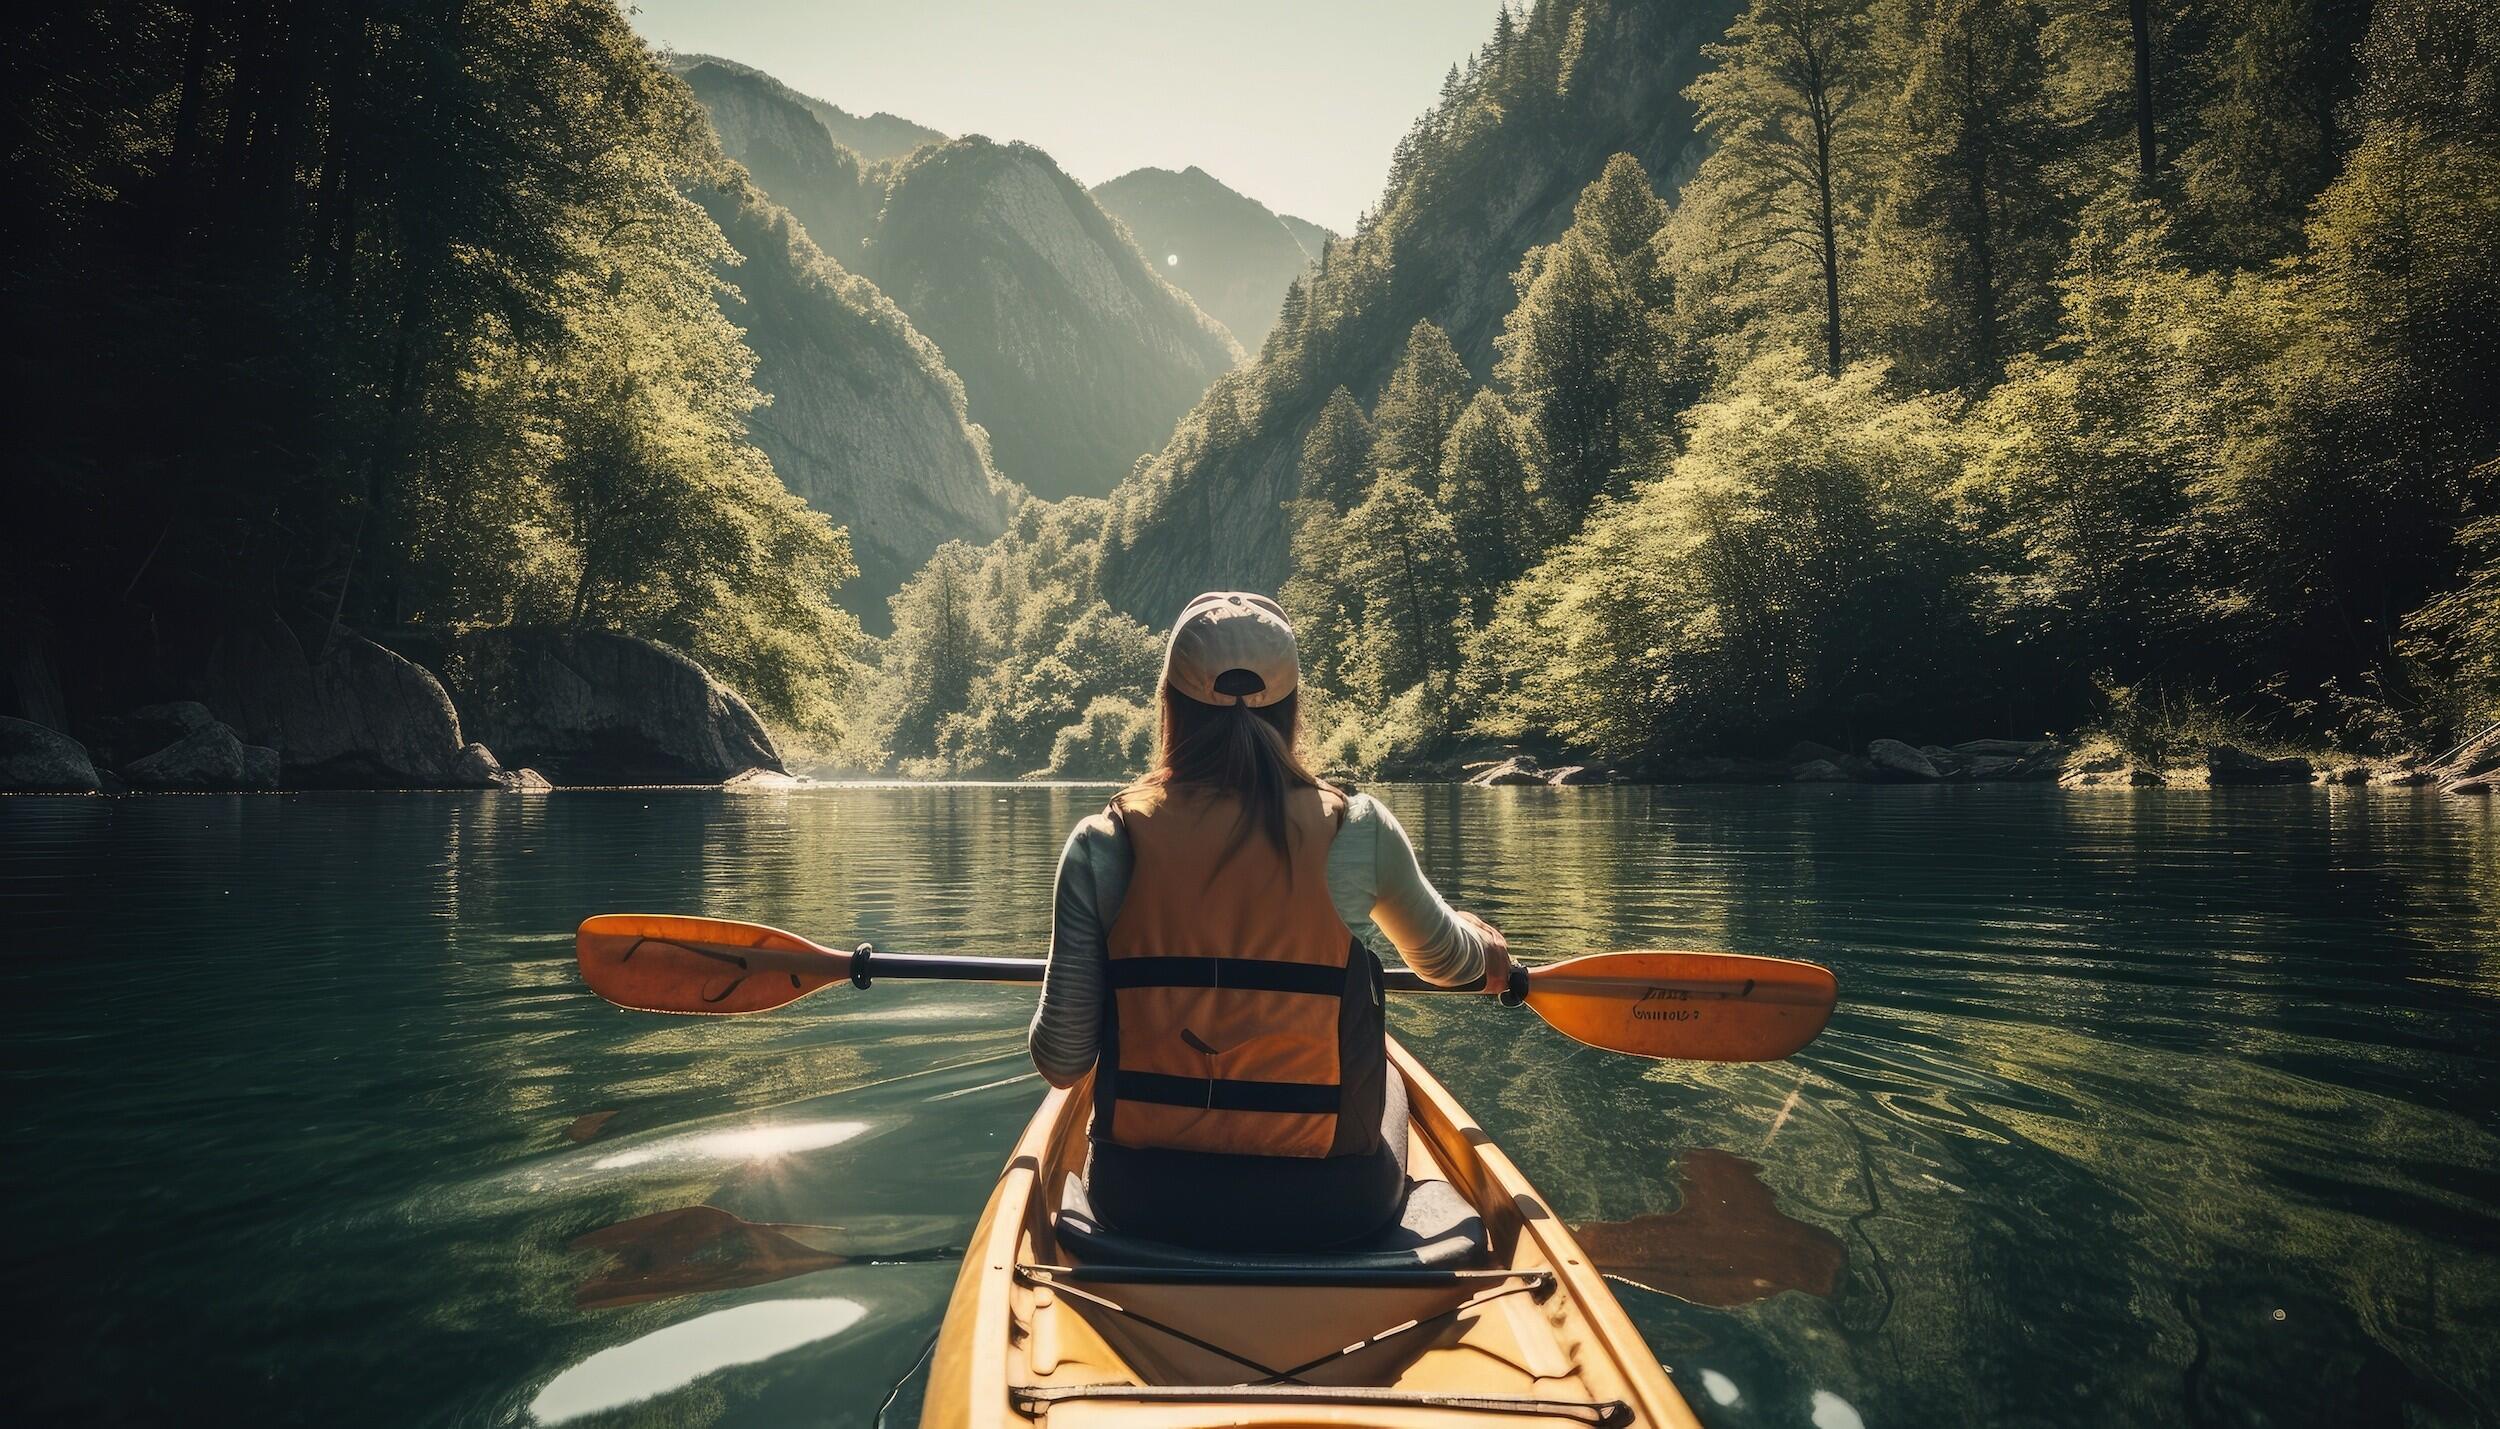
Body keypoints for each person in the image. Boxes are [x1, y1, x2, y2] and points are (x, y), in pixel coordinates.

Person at [1028, 591, 1513, 1252]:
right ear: (1292, 711)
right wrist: (1487, 950)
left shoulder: (1101, 842)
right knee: (1392, 1076)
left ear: (1168, 707)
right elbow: (1450, 964)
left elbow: (1062, 1059)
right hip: (1330, 1207)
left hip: (1144, 1201)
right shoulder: (1357, 829)